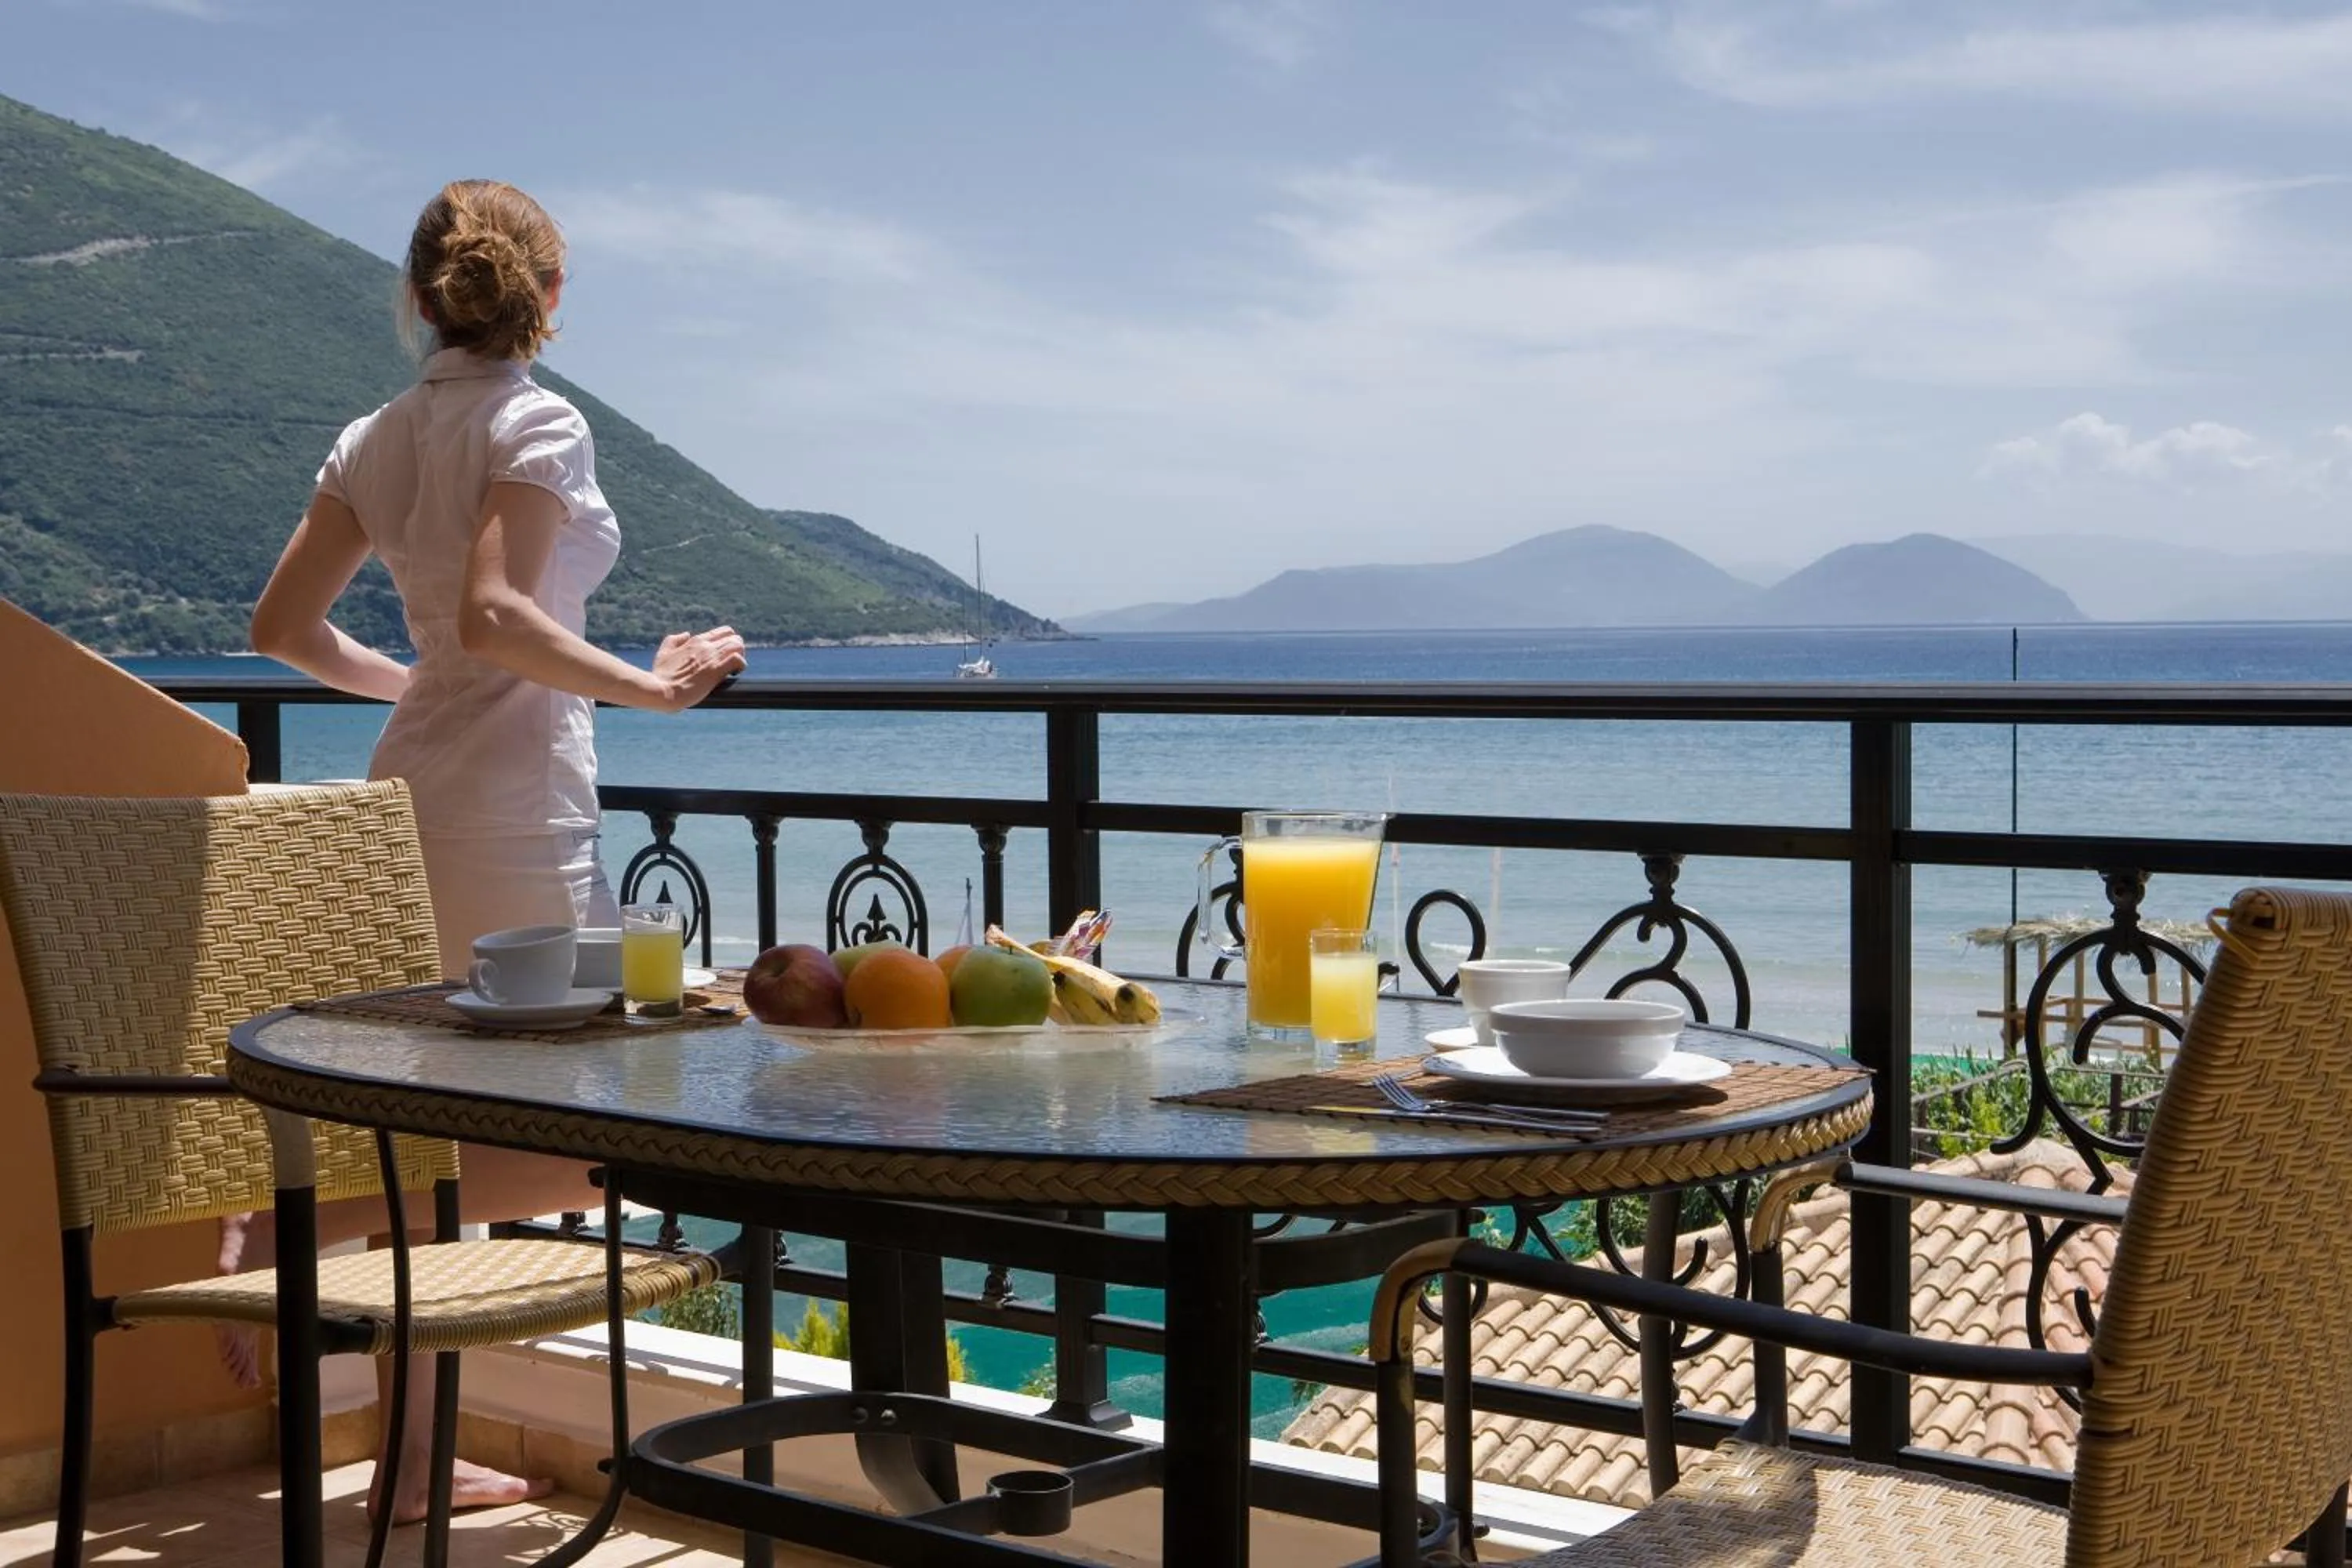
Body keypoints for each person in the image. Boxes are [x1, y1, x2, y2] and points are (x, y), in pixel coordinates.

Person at [241, 178, 746, 1524]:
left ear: (416, 297)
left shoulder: (373, 436)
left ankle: (407, 1453)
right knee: (564, 1109)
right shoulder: (538, 417)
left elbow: (283, 631)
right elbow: (502, 613)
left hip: (414, 791)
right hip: (517, 808)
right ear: (553, 302)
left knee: (437, 1122)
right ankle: (285, 1248)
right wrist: (654, 688)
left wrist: (413, 684)